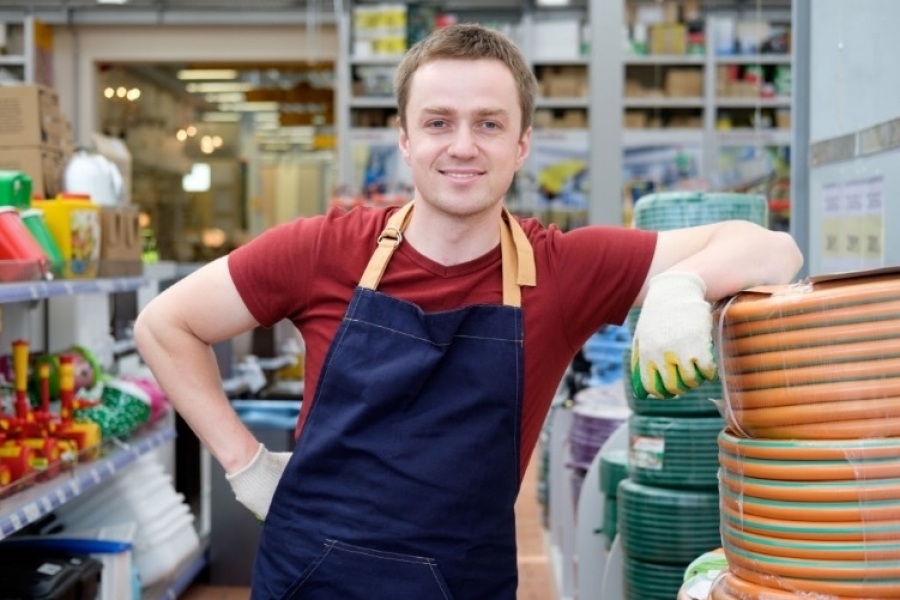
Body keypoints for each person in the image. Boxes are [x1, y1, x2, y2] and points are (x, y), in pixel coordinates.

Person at [133, 23, 802, 600]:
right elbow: (165, 324)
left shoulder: (563, 270)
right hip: (307, 574)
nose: (462, 145)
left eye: (488, 123)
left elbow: (771, 248)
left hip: (462, 581)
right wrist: (245, 465)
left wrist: (680, 286)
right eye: (438, 122)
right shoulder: (322, 250)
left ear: (521, 144)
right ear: (404, 138)